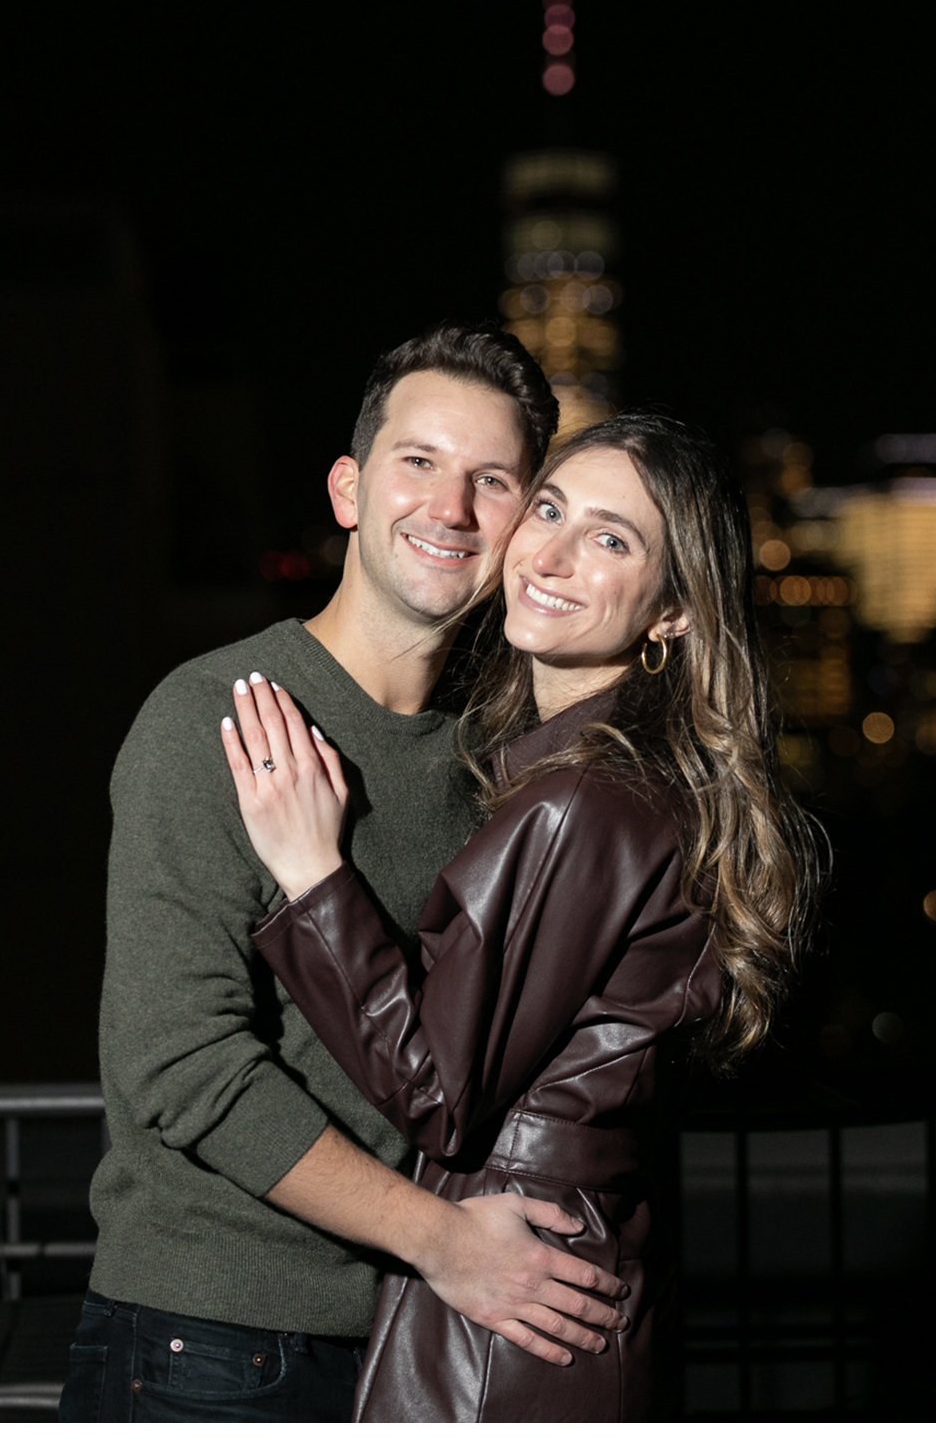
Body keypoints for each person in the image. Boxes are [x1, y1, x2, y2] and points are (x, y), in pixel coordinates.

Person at [65, 324, 634, 1423]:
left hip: (422, 1345)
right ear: (347, 490)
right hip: (213, 1340)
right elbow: (175, 1065)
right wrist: (444, 1245)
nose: (449, 509)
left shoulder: (494, 761)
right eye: (415, 463)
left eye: (491, 481)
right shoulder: (213, 719)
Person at [220, 410, 825, 1420]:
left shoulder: (577, 803)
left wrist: (310, 872)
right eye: (547, 509)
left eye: (609, 539)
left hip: (510, 1307)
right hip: (561, 1275)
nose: (546, 553)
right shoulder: (619, 782)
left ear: (671, 613)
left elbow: (437, 1092)